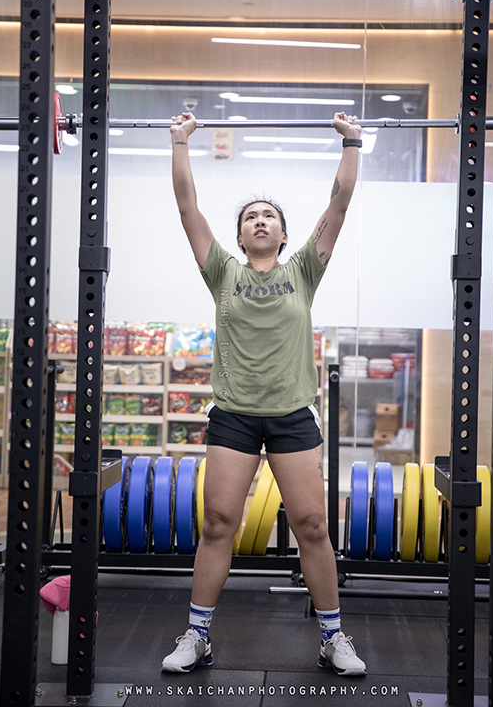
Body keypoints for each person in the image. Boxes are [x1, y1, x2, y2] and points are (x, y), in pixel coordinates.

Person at [162, 111, 366, 677]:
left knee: (314, 526)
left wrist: (352, 143)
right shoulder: (222, 272)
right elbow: (187, 208)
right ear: (239, 235)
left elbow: (339, 205)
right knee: (219, 522)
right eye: (251, 216)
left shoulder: (304, 268)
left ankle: (332, 637)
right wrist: (181, 143)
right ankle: (197, 636)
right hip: (233, 416)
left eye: (268, 216)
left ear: (282, 232)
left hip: (293, 416)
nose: (259, 221)